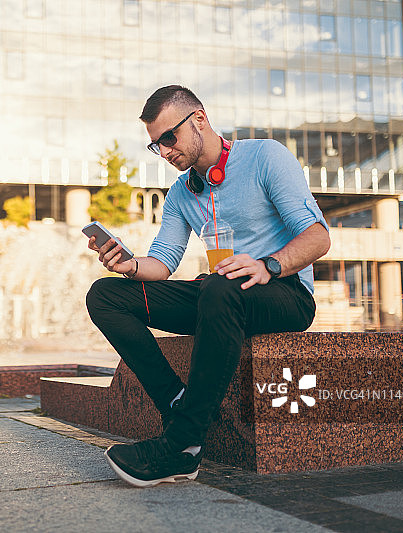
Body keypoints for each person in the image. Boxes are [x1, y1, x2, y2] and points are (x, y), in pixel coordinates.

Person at [85, 85, 331, 488]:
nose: (164, 152)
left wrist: (268, 264)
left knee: (219, 287)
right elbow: (162, 263)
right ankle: (177, 403)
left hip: (284, 292)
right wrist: (129, 265)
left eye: (169, 138)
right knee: (105, 294)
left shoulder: (265, 157)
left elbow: (318, 238)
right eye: (156, 146)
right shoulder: (182, 192)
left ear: (199, 119)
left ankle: (183, 444)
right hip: (221, 295)